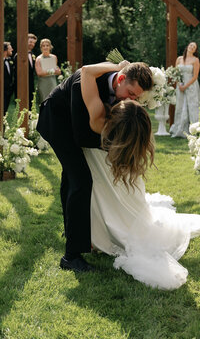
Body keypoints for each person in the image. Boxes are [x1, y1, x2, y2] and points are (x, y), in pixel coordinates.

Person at [80, 61, 200, 289]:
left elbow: (86, 71)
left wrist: (117, 67)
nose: (129, 99)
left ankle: (98, 235)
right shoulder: (132, 139)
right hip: (122, 174)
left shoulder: (98, 123)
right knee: (125, 197)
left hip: (102, 166)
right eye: (132, 97)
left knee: (105, 196)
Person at [36, 60, 153, 273]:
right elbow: (81, 136)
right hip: (58, 123)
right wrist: (115, 144)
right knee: (81, 180)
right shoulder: (86, 81)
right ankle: (71, 256)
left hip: (78, 128)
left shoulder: (121, 88)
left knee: (71, 178)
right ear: (119, 79)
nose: (132, 100)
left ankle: (72, 231)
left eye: (136, 97)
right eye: (130, 93)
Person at [170, 41, 200, 138]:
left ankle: (193, 130)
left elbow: (195, 76)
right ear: (187, 46)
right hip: (180, 86)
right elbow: (176, 73)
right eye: (191, 45)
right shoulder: (179, 59)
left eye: (194, 47)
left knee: (192, 108)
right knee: (180, 106)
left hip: (191, 86)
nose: (192, 47)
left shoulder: (195, 60)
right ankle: (179, 129)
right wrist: (179, 84)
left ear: (195, 50)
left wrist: (186, 86)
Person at [14, 33, 37, 108]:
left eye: (34, 43)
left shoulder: (33, 55)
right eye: (30, 42)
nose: (32, 44)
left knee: (30, 104)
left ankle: (29, 119)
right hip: (21, 84)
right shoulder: (18, 55)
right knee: (21, 106)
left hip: (30, 84)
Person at [35, 38, 60, 104]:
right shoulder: (38, 59)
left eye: (47, 45)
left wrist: (57, 71)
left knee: (53, 101)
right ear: (41, 47)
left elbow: (58, 71)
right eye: (43, 46)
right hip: (43, 83)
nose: (45, 47)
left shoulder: (54, 57)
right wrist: (52, 71)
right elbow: (39, 73)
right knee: (44, 102)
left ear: (50, 47)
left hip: (52, 82)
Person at [3, 42, 14, 115]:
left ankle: (3, 126)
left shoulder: (10, 60)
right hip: (1, 91)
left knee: (5, 110)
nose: (12, 49)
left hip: (9, 91)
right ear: (5, 50)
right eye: (10, 49)